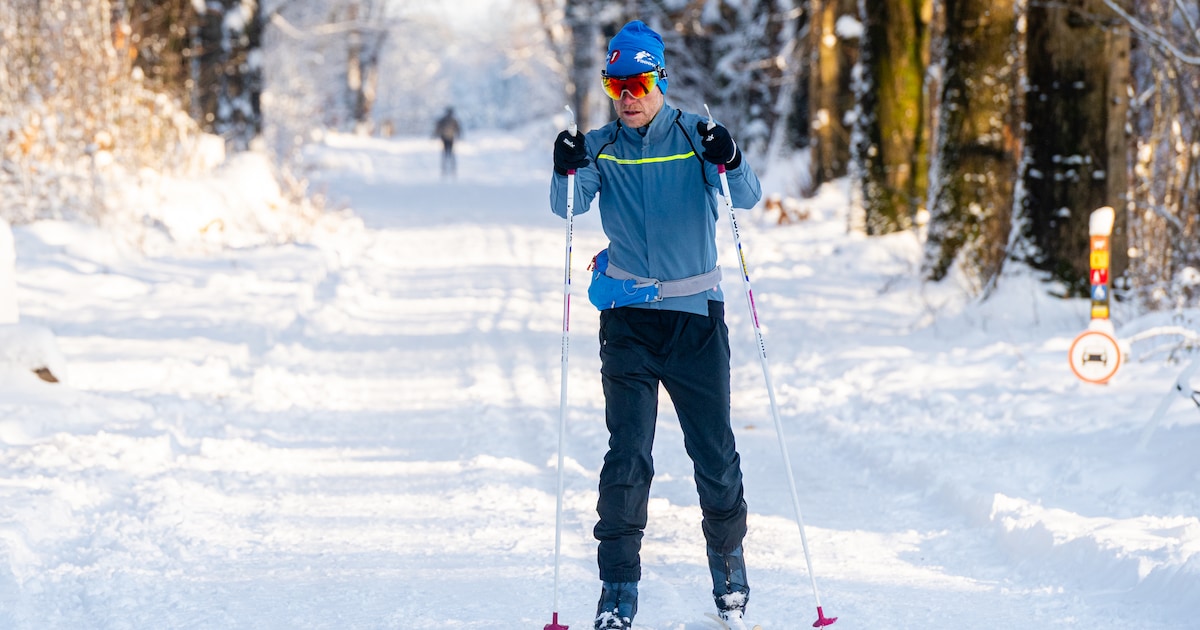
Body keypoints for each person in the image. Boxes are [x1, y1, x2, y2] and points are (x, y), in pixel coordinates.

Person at [549, 20, 763, 630]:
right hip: (628, 323)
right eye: (617, 84)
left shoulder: (698, 137)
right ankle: (617, 591)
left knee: (714, 456)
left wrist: (733, 156)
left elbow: (744, 196)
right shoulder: (600, 144)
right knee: (627, 457)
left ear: (660, 78)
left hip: (695, 321)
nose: (629, 95)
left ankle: (729, 575)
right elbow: (565, 206)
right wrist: (562, 164)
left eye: (639, 81)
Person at [433, 106, 461, 177]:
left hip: (444, 138)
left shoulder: (443, 119)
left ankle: (445, 169)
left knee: (445, 153)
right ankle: (452, 169)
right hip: (451, 138)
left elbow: (438, 128)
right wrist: (459, 135)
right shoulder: (453, 120)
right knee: (451, 153)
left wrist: (435, 135)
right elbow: (458, 129)